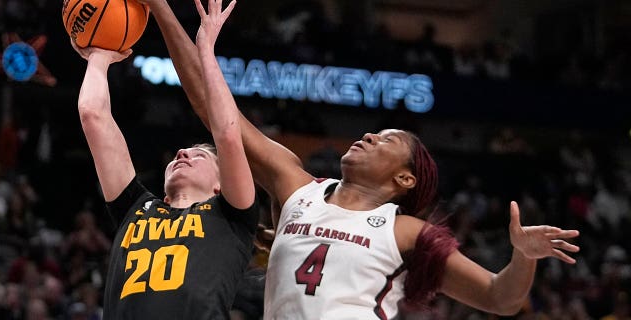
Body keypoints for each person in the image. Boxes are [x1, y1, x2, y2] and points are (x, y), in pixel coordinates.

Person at [144, 1, 580, 319]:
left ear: (406, 178)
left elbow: (500, 298)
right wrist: (162, 9)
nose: (369, 134)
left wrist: (523, 256)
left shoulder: (406, 231)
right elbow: (214, 110)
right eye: (374, 131)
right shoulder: (297, 187)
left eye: (387, 139)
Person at [69, 0, 259, 316]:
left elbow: (226, 133)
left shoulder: (232, 216)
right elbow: (92, 115)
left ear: (219, 184)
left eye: (199, 155)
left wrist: (206, 51)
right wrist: (99, 55)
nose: (182, 153)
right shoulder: (135, 207)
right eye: (181, 154)